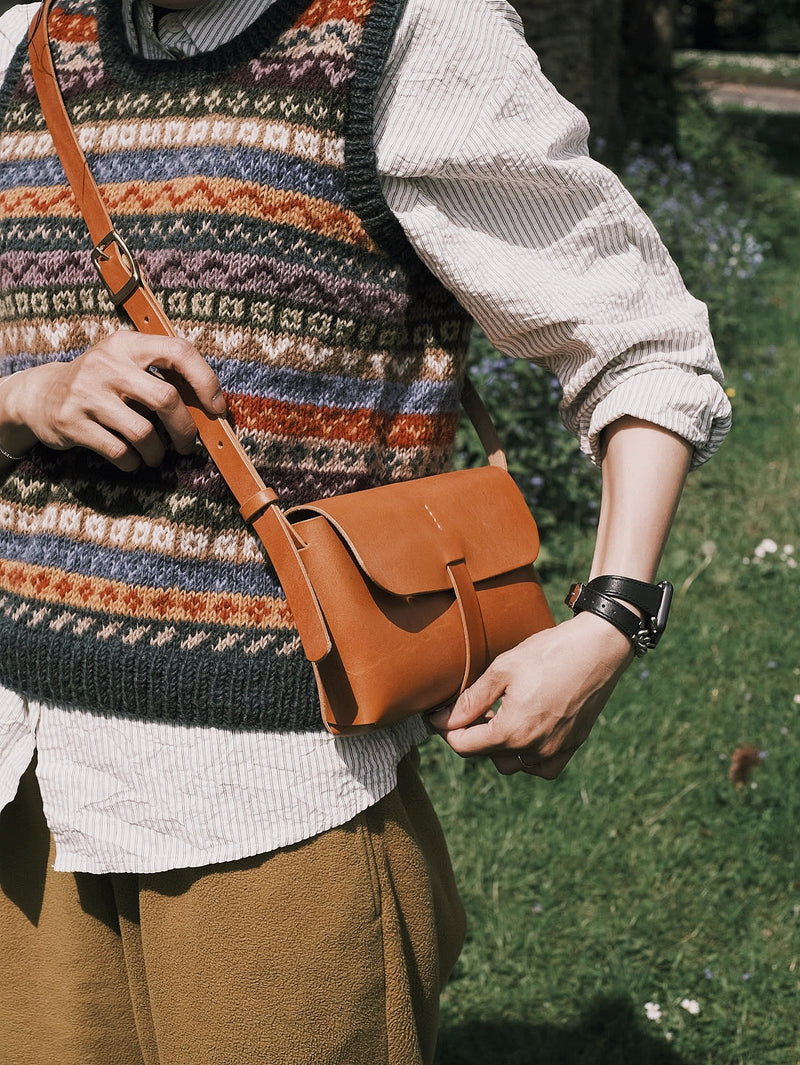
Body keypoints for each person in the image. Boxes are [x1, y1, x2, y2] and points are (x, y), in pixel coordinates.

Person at [0, 0, 731, 1062]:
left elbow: (641, 344)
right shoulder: (23, 42)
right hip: (23, 780)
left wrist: (613, 616)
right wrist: (28, 399)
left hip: (273, 801)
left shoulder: (406, 35)